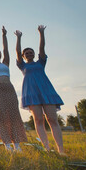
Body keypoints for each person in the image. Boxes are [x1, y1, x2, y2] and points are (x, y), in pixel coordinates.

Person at [14, 25, 65, 154]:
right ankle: (46, 148)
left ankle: (61, 150)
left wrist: (41, 33)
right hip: (31, 94)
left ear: (34, 54)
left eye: (31, 52)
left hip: (46, 91)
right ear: (24, 56)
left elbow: (42, 48)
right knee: (38, 120)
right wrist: (19, 38)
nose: (29, 54)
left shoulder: (40, 62)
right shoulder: (22, 65)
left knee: (52, 119)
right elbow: (17, 51)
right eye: (27, 53)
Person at [0, 27, 27, 151]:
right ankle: (7, 144)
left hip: (9, 89)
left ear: (0, 55)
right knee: (1, 116)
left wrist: (4, 35)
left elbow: (6, 49)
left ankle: (16, 144)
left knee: (13, 116)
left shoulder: (5, 62)